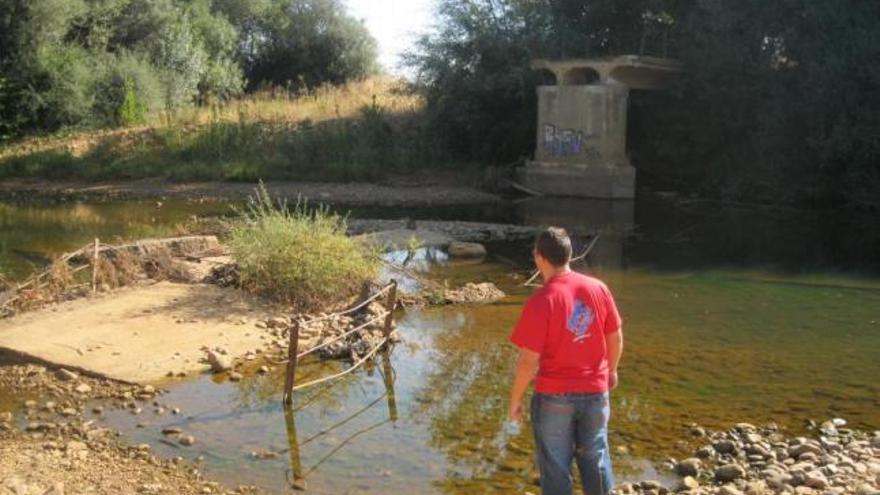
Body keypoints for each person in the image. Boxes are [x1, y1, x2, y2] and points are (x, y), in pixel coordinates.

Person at [508, 227, 624, 495]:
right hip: (596, 391)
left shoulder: (541, 301)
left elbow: (528, 361)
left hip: (553, 397)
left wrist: (515, 399)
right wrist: (612, 372)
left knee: (556, 465)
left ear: (539, 258)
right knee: (595, 458)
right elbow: (615, 336)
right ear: (569, 255)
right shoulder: (598, 288)